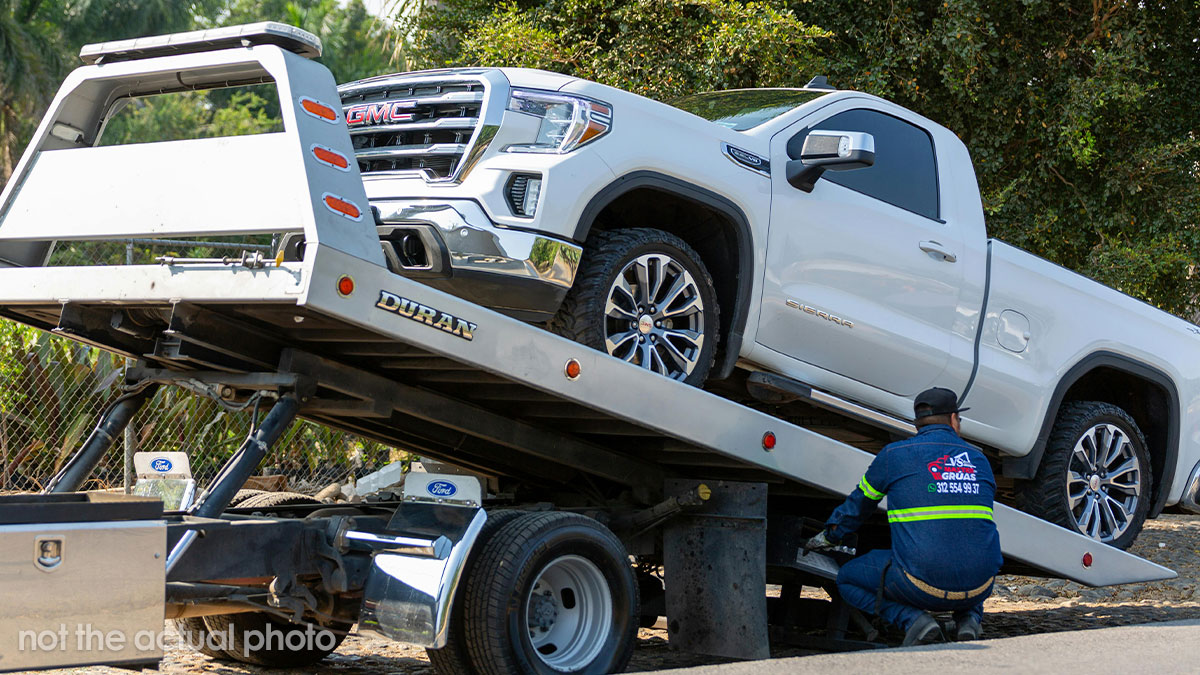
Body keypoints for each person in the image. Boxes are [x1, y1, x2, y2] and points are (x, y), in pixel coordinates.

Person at [805, 387, 1003, 645]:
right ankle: (969, 621)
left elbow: (857, 507)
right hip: (982, 585)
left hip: (919, 585)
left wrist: (829, 536)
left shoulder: (894, 456)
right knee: (967, 554)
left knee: (847, 579)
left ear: (917, 423)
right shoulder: (979, 460)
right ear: (954, 420)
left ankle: (914, 621)